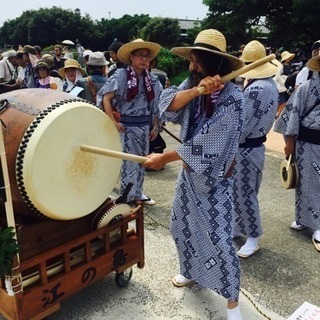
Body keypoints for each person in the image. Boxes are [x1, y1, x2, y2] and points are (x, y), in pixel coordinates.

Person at [142, 29, 245, 320]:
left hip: (214, 181)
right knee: (180, 226)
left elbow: (208, 144)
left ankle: (232, 300)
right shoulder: (193, 83)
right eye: (191, 59)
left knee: (219, 239)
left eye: (197, 60)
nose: (192, 65)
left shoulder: (234, 99)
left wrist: (164, 158)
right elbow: (166, 105)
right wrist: (198, 90)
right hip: (189, 178)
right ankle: (190, 271)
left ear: (213, 62)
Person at [96, 39, 163, 206]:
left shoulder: (152, 79)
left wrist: (156, 126)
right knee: (128, 163)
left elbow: (156, 105)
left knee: (142, 161)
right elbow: (106, 97)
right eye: (141, 55)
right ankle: (127, 196)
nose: (144, 60)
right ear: (131, 57)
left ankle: (138, 193)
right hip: (126, 126)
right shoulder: (120, 76)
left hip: (145, 126)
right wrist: (112, 121)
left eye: (147, 57)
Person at [232, 40, 280, 258]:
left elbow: (242, 124)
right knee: (240, 191)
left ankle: (253, 236)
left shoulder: (257, 89)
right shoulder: (266, 84)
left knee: (245, 193)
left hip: (246, 148)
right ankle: (238, 227)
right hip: (251, 147)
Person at [274, 54, 320, 252]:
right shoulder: (306, 89)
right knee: (306, 182)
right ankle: (309, 221)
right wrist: (289, 143)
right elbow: (291, 116)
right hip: (308, 143)